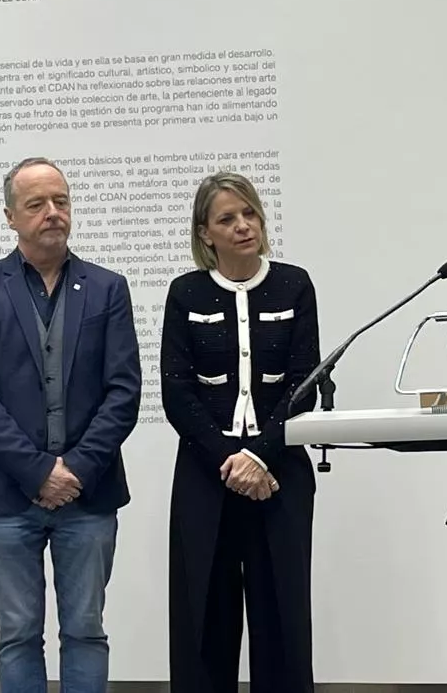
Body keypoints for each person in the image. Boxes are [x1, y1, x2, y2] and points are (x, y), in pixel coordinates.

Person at [0, 156, 141, 693]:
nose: (52, 213)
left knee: (85, 630)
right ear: (11, 217)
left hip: (90, 492)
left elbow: (123, 393)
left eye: (60, 201)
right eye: (36, 204)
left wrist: (74, 469)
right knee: (17, 634)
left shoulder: (108, 288)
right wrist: (38, 473)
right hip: (6, 495)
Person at [160, 171, 320, 693]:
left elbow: (303, 386)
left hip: (280, 475)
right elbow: (178, 394)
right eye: (227, 219)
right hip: (208, 476)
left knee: (283, 619)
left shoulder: (295, 284)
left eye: (249, 213)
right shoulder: (185, 293)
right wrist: (231, 459)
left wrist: (261, 456)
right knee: (204, 616)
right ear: (205, 233)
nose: (243, 226)